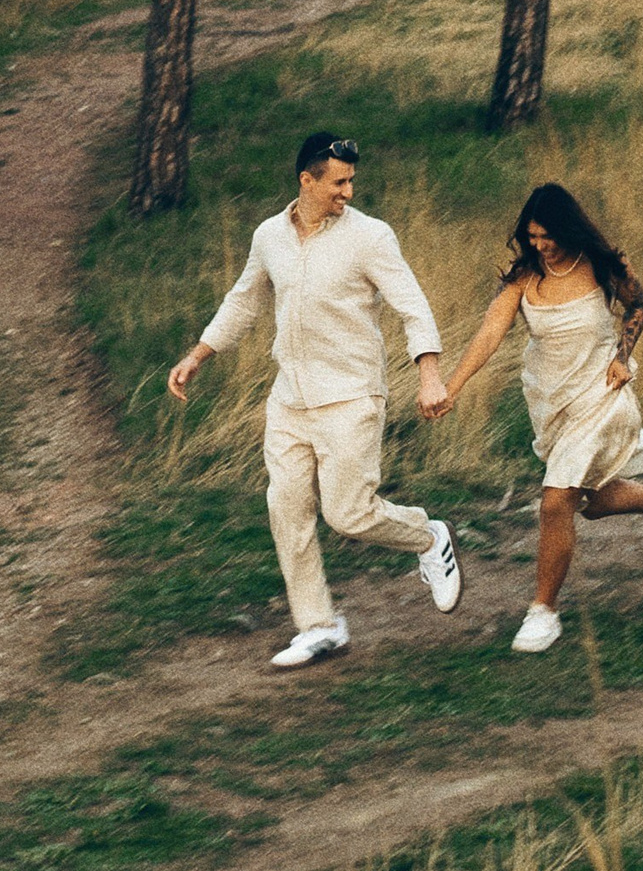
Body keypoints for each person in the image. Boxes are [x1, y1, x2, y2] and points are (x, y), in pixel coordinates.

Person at [168, 130, 463, 670]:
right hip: (290, 400)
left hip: (352, 396)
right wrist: (198, 354)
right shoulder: (268, 237)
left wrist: (430, 376)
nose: (348, 192)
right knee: (286, 508)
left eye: (352, 181)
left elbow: (413, 307)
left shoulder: (371, 237)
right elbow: (243, 301)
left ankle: (428, 535)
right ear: (307, 181)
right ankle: (319, 625)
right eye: (338, 182)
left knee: (349, 515)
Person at [423, 181, 643, 653]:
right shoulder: (523, 279)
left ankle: (543, 612)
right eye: (531, 237)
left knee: (555, 502)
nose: (539, 246)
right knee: (589, 504)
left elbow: (638, 305)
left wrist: (622, 354)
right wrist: (450, 388)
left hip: (600, 391)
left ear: (567, 229)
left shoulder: (599, 264)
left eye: (546, 236)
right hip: (551, 402)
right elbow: (489, 335)